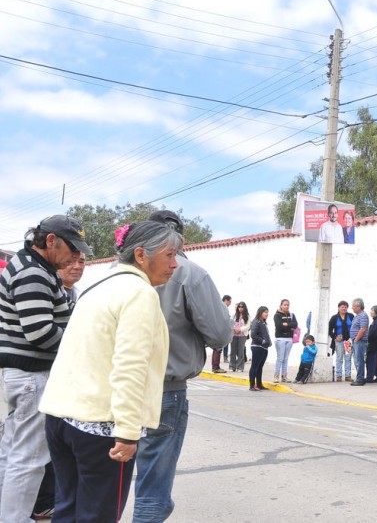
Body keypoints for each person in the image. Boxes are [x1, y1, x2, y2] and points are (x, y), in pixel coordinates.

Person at [39, 221, 181, 522]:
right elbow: (130, 366)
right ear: (141, 255)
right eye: (170, 255)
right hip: (99, 426)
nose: (175, 264)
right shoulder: (139, 293)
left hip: (61, 417)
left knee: (68, 508)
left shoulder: (98, 286)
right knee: (98, 515)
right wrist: (128, 432)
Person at [134, 210, 232, 522]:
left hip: (116, 387)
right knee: (152, 487)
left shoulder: (120, 271)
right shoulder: (190, 273)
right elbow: (219, 334)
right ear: (181, 238)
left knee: (111, 483)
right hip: (164, 388)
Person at [0, 214, 89, 523]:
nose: (76, 257)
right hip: (32, 376)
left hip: (25, 376)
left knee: (13, 452)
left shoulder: (33, 267)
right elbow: (40, 333)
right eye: (72, 249)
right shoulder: (34, 273)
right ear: (51, 241)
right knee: (30, 459)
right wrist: (79, 345)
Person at [328, 301, 354, 382]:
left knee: (348, 358)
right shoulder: (334, 318)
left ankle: (348, 376)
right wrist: (334, 337)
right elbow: (329, 330)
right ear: (338, 308)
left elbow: (355, 327)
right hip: (339, 342)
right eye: (342, 307)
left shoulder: (351, 316)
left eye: (345, 307)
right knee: (339, 358)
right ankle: (338, 375)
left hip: (348, 341)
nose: (344, 308)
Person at [273, 299, 298, 383]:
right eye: (284, 305)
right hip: (280, 339)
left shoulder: (291, 315)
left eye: (287, 305)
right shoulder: (277, 315)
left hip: (289, 339)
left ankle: (284, 376)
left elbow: (295, 325)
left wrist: (287, 324)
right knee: (280, 358)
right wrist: (289, 326)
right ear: (281, 305)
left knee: (286, 358)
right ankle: (276, 376)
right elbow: (279, 326)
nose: (286, 306)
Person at [249, 306, 271, 391]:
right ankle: (252, 385)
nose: (267, 314)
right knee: (254, 366)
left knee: (260, 367)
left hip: (264, 348)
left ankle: (259, 384)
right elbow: (253, 335)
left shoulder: (263, 322)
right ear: (260, 312)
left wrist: (268, 342)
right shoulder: (256, 322)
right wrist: (262, 341)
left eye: (267, 312)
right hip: (257, 347)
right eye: (265, 312)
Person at [349, 298, 369, 386]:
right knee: (356, 360)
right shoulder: (357, 315)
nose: (352, 308)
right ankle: (359, 377)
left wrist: (356, 339)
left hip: (359, 341)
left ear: (359, 307)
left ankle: (360, 379)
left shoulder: (363, 315)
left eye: (353, 306)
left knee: (359, 360)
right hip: (356, 341)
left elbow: (363, 328)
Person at [229, 301, 250, 373]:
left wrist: (240, 329)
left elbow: (248, 326)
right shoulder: (234, 315)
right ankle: (232, 366)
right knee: (233, 351)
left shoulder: (247, 316)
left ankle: (240, 367)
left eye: (242, 307)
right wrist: (234, 329)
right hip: (234, 335)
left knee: (241, 351)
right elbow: (230, 323)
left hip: (242, 335)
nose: (240, 308)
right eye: (239, 307)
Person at [221, 295, 232, 365]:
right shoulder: (222, 307)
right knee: (224, 344)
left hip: (224, 328)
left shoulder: (222, 307)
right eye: (230, 301)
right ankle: (225, 357)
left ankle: (225, 357)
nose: (230, 303)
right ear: (226, 300)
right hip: (222, 328)